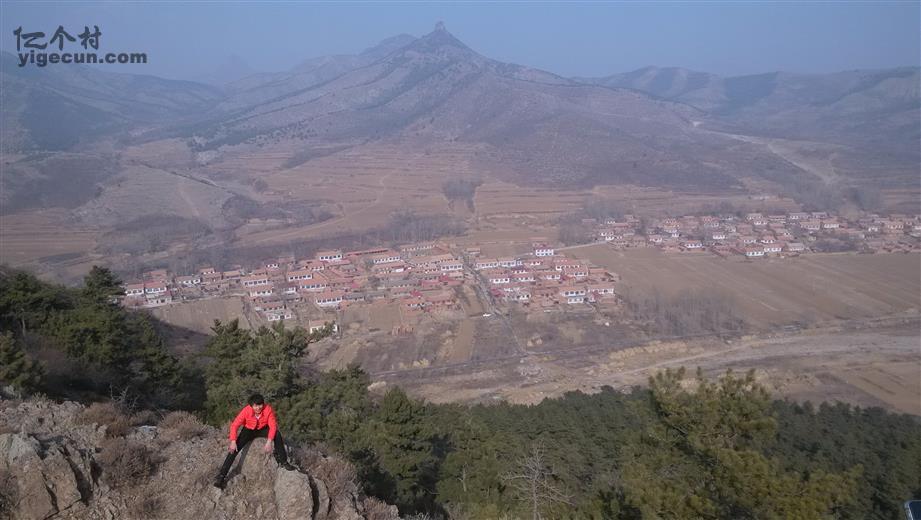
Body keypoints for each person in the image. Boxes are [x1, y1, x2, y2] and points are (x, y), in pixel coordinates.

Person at [214, 393, 294, 489]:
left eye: (260, 405)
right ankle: (222, 476)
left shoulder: (268, 409)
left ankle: (283, 461)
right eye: (255, 406)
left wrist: (269, 441)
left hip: (262, 429)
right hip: (248, 430)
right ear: (251, 406)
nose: (258, 408)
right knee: (233, 450)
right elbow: (234, 425)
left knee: (277, 434)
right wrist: (233, 441)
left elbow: (273, 426)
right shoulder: (246, 411)